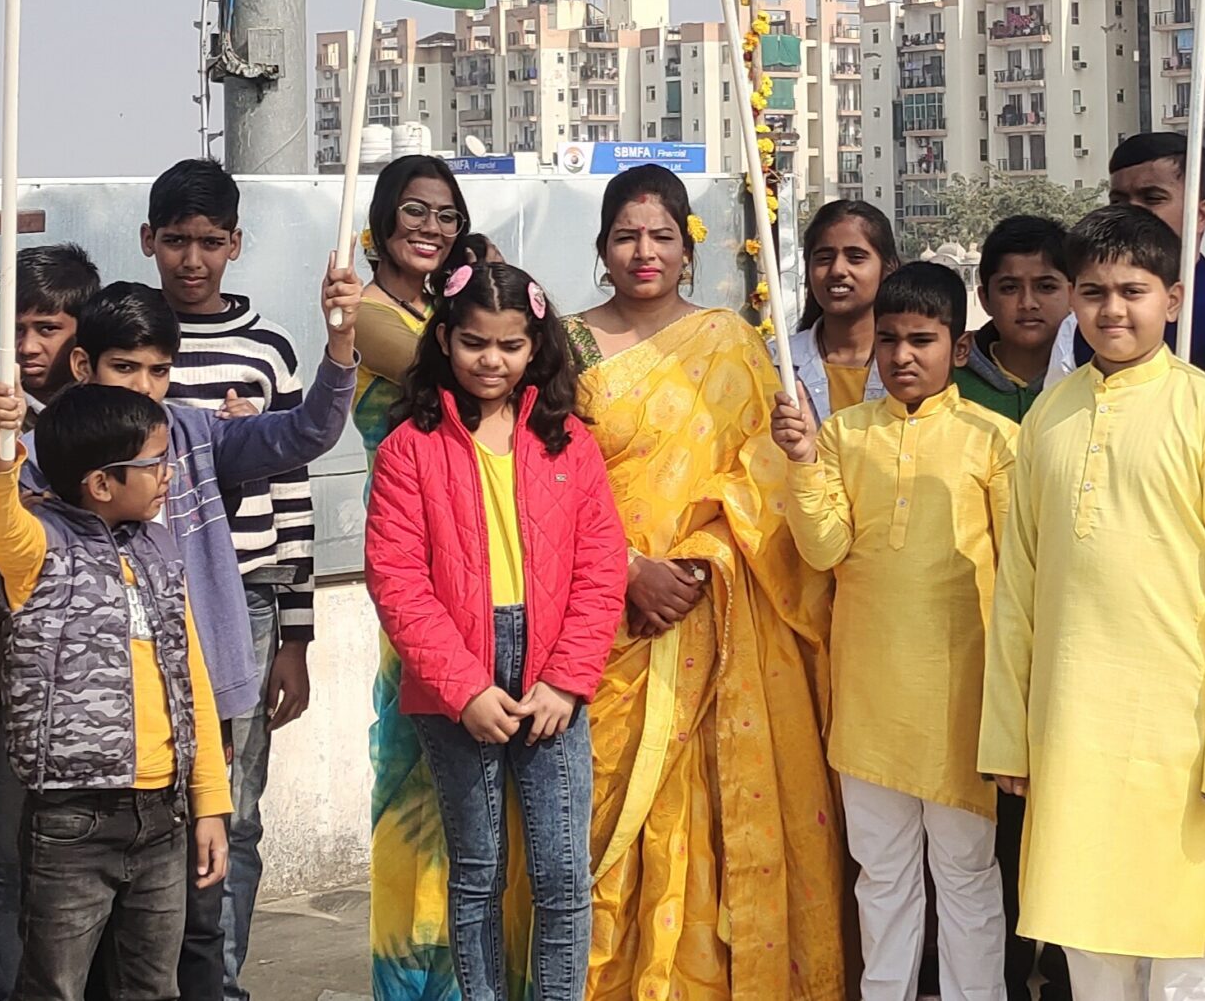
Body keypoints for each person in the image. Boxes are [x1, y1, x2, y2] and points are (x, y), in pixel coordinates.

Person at [981, 205, 1205, 1001]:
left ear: (1173, 299)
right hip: (1071, 737)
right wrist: (1009, 735)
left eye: (1133, 290)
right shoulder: (1049, 417)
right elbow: (1019, 591)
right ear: (1074, 301)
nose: (1113, 309)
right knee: (1090, 953)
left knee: (1194, 965)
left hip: (1183, 750)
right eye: (1095, 291)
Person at [566, 164, 846, 1001]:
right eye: (626, 235)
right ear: (602, 248)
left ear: (688, 249)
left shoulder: (729, 340)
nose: (643, 252)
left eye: (661, 236)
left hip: (713, 612)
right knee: (597, 826)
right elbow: (541, 483)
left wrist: (701, 557)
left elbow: (766, 474)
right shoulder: (562, 345)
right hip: (598, 616)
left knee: (713, 823)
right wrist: (627, 571)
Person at [363, 253, 628, 1001]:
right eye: (476, 341)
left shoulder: (567, 440)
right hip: (458, 684)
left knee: (561, 875)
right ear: (444, 338)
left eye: (511, 344)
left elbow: (601, 568)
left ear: (534, 346)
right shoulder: (410, 447)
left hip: (553, 677)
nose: (493, 359)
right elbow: (398, 579)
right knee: (476, 873)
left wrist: (568, 679)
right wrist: (464, 688)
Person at [775, 262, 1016, 1001]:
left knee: (968, 877)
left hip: (962, 701)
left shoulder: (996, 439)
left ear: (961, 346)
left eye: (922, 339)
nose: (903, 355)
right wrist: (803, 461)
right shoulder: (843, 434)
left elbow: (1018, 580)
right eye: (889, 340)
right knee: (881, 877)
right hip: (870, 697)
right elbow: (822, 548)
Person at [0, 375, 231, 1001]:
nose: (169, 473)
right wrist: (2, 447)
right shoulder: (40, 548)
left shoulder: (160, 548)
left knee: (151, 986)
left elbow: (192, 677)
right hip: (71, 818)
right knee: (54, 985)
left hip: (162, 813)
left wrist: (211, 801)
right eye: (154, 463)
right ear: (102, 483)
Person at [62, 270, 359, 785]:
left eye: (158, 371)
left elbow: (310, 431)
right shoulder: (52, 456)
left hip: (201, 685)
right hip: (101, 698)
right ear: (84, 366)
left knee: (225, 826)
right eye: (125, 367)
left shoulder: (199, 437)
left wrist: (340, 342)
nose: (143, 386)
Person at [139, 161, 315, 1001]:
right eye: (176, 240)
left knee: (235, 803)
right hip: (141, 602)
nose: (193, 258)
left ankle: (223, 982)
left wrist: (298, 631)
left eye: (210, 241)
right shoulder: (127, 336)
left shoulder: (270, 346)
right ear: (149, 241)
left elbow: (295, 486)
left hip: (245, 599)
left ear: (236, 244)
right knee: (153, 804)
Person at [0, 243, 103, 1001]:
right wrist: (8, 518)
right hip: (8, 690)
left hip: (104, 700)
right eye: (20, 329)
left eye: (50, 327)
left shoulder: (120, 431)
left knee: (101, 885)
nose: (32, 346)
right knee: (13, 874)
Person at [348, 155, 494, 1000]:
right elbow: (455, 380)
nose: (431, 228)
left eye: (447, 215)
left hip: (484, 546)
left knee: (480, 790)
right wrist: (493, 297)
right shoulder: (367, 311)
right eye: (414, 211)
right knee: (416, 779)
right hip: (413, 548)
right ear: (380, 219)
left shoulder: (446, 307)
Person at [1047, 134, 1205, 390]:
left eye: (1152, 198)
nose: (1132, 212)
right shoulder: (1078, 328)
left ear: (1200, 214)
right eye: (1118, 201)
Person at [783, 198, 898, 422]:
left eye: (855, 258)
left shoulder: (910, 361)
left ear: (888, 268)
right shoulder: (776, 362)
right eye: (824, 258)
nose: (837, 270)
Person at [955, 216, 1069, 424]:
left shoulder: (1093, 376)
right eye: (1009, 288)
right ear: (985, 299)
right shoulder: (948, 384)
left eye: (1046, 287)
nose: (1027, 303)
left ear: (1074, 294)